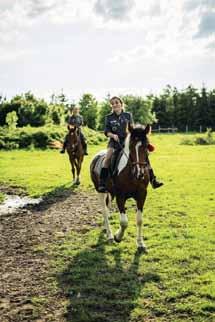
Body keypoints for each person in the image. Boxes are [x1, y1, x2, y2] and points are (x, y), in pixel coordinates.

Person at [98, 96, 163, 192]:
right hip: (114, 143)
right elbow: (106, 131)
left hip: (128, 142)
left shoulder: (128, 115)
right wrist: (112, 135)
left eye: (116, 102)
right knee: (108, 158)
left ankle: (153, 180)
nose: (115, 105)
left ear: (121, 103)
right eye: (112, 103)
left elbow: (132, 129)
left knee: (143, 157)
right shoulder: (109, 117)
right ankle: (102, 183)